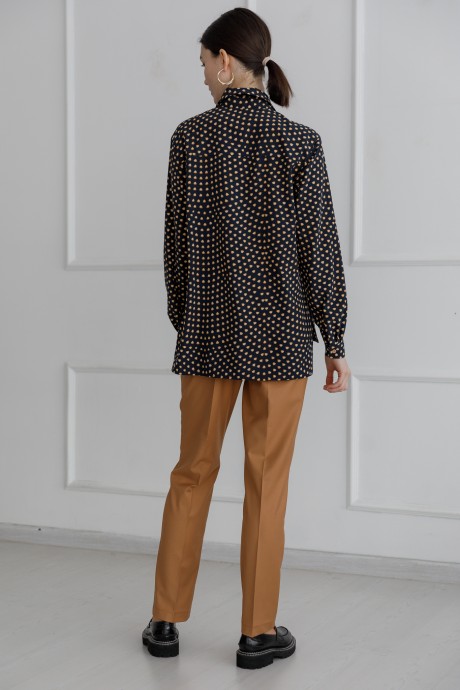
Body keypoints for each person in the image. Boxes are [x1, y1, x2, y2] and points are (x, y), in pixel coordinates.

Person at [142, 7, 351, 670]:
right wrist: (335, 339)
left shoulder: (189, 138)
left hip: (207, 336)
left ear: (226, 61)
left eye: (204, 63)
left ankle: (165, 622)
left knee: (191, 473)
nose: (202, 75)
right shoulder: (300, 141)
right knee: (267, 483)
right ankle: (258, 634)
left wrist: (189, 319)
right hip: (283, 338)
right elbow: (320, 249)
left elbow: (175, 250)